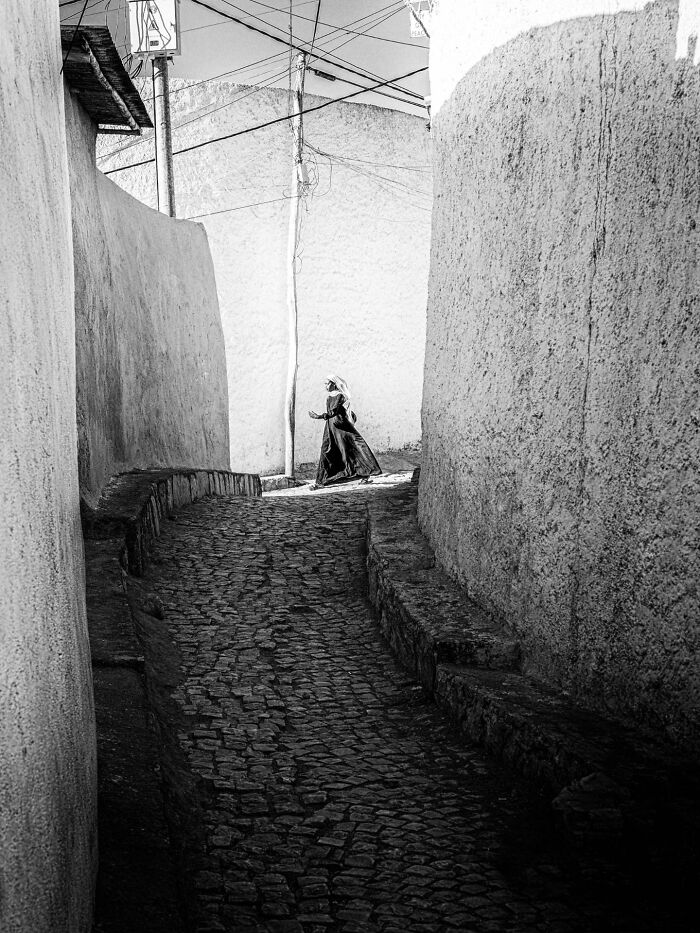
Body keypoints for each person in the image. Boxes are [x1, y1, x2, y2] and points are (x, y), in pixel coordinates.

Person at [308, 375, 382, 488]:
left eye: (327, 383)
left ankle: (365, 475)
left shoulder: (340, 396)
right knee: (327, 451)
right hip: (331, 428)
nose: (325, 386)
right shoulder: (328, 398)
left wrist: (318, 416)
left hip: (343, 428)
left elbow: (333, 412)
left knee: (355, 448)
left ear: (334, 384)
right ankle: (321, 481)